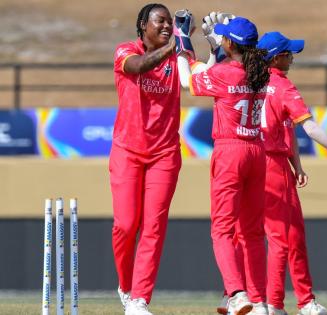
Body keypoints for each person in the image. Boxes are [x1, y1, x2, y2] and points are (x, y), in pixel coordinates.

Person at [256, 31, 327, 315]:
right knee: (280, 238)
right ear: (278, 57)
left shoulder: (253, 81)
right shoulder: (282, 86)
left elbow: (286, 127)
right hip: (271, 166)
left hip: (262, 162)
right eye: (289, 53)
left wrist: (297, 166)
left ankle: (305, 302)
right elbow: (311, 128)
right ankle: (274, 305)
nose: (292, 58)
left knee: (294, 236)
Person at [177, 15, 271, 315]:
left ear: (230, 43)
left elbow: (187, 81)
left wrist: (182, 40)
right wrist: (217, 48)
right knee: (254, 232)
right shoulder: (260, 71)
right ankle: (259, 302)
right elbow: (223, 69)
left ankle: (236, 293)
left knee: (222, 231)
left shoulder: (225, 73)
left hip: (230, 151)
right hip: (257, 150)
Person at [110, 4, 182, 315]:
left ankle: (139, 299)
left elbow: (199, 79)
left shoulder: (178, 55)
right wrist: (172, 48)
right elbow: (138, 66)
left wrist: (218, 48)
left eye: (170, 22)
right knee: (126, 225)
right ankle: (126, 287)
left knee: (153, 226)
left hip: (165, 153)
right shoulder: (125, 50)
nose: (167, 26)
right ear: (143, 25)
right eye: (160, 21)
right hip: (128, 150)